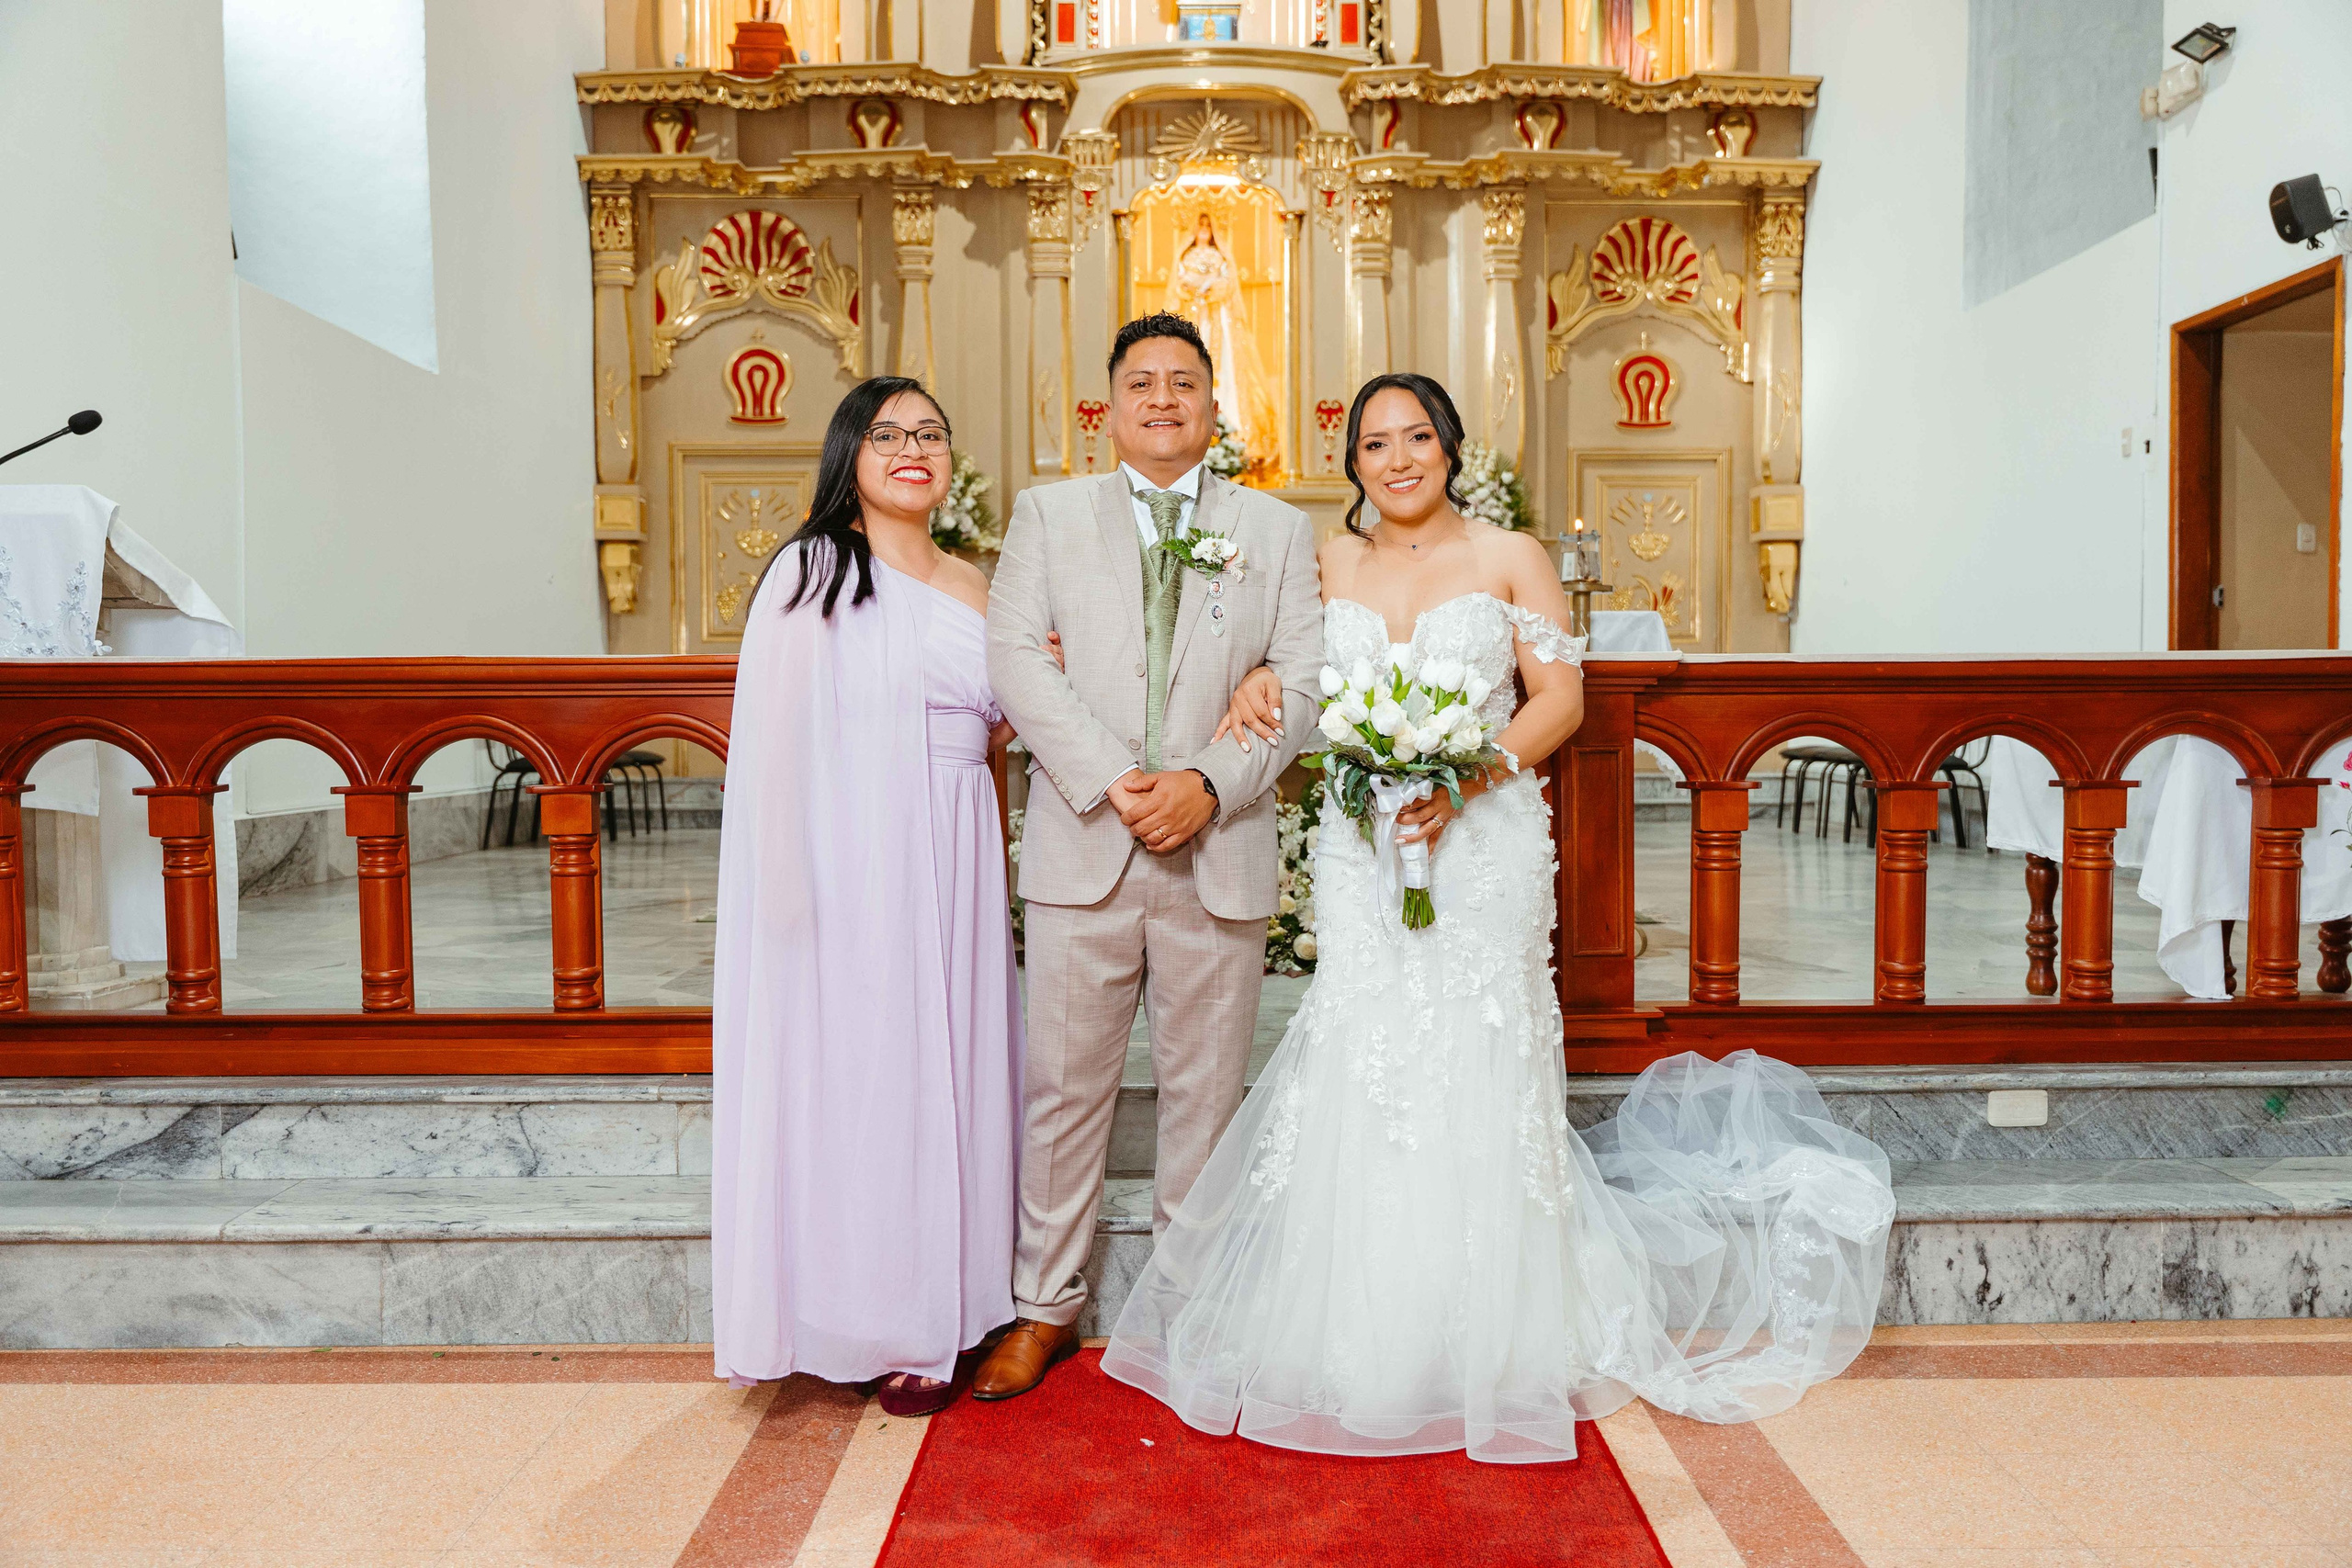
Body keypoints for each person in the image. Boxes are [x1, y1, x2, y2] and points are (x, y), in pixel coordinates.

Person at [1102, 373, 1896, 1463]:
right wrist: (1250, 688)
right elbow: (1272, 666)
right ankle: (1361, 1323)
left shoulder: (1511, 555)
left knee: (1477, 1044)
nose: (1396, 459)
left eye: (1416, 436)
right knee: (1366, 1040)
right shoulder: (1324, 561)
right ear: (1353, 464)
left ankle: (1496, 1326)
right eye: (1375, 443)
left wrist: (1466, 777)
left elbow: (1558, 698)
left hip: (1482, 839)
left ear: (1450, 446)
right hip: (1362, 841)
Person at [976, 312, 1327, 1400]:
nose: (1163, 399)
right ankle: (1044, 1307)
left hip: (1214, 847)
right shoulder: (1048, 515)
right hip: (1087, 840)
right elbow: (1015, 661)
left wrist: (1207, 784)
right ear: (1110, 408)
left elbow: (1302, 681)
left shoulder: (1273, 529)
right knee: (1064, 1096)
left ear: (1215, 406)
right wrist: (1115, 780)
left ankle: (1186, 1314)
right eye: (1142, 383)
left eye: (1184, 382)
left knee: (1203, 1097)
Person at [710, 376, 1021, 1418]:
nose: (911, 450)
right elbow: (774, 741)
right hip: (856, 857)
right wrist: (792, 894)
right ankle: (863, 1313)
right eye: (886, 435)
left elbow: (998, 721)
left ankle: (949, 1304)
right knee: (870, 1078)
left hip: (959, 844)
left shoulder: (976, 582)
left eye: (929, 433)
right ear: (849, 455)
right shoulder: (813, 572)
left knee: (955, 1067)